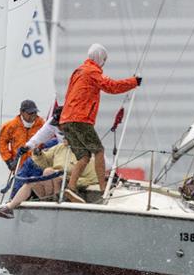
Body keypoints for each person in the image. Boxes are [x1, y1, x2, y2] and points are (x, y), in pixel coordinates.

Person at [59, 43, 141, 192]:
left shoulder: (78, 71)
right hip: (80, 119)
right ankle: (103, 188)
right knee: (99, 151)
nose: (105, 62)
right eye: (105, 59)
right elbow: (111, 86)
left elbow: (69, 94)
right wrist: (133, 82)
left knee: (84, 157)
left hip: (66, 121)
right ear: (100, 58)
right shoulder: (92, 71)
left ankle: (71, 187)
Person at [0, 140, 96, 218]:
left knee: (50, 172)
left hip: (68, 189)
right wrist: (39, 154)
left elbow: (91, 179)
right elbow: (44, 162)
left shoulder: (86, 156)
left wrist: (71, 180)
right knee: (32, 180)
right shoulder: (60, 148)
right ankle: (9, 208)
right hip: (51, 183)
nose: (64, 136)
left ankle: (55, 201)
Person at [0, 99, 45, 171]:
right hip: (19, 165)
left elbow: (49, 141)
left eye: (34, 113)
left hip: (38, 164)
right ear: (21, 112)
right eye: (30, 113)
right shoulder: (10, 126)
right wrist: (9, 161)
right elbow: (2, 143)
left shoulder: (43, 124)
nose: (33, 115)